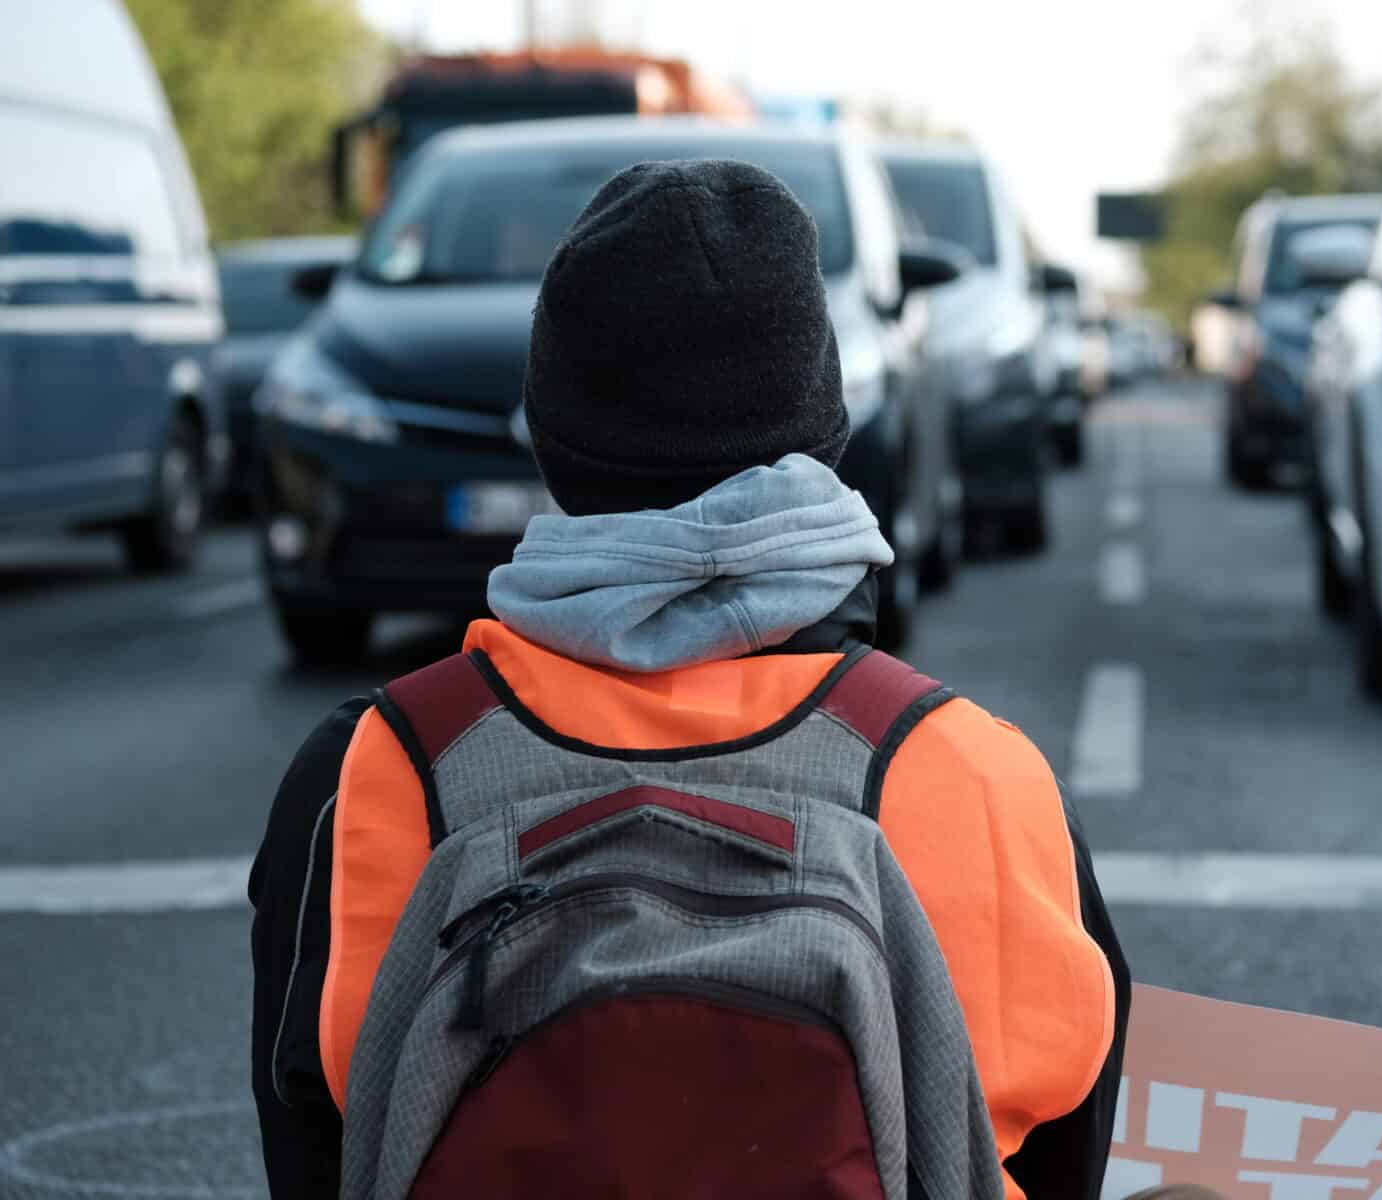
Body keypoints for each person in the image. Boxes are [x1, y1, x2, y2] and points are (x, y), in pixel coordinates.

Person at [249, 160, 1129, 1198]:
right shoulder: (972, 771)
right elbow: (1060, 1155)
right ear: (824, 436)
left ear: (553, 434)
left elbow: (315, 1155)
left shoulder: (375, 773)